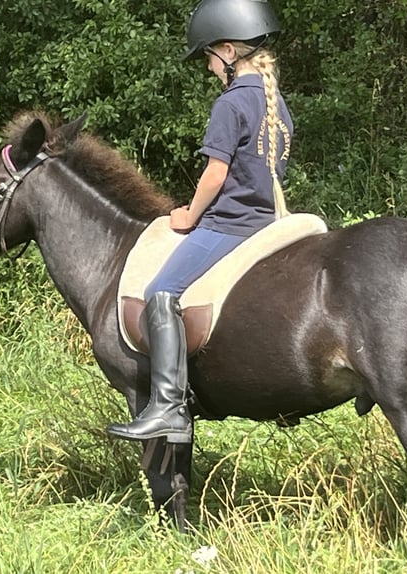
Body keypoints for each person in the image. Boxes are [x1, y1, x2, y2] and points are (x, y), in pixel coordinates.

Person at [106, 0, 293, 444]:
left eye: (209, 57)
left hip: (229, 225)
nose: (209, 67)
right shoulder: (276, 104)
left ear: (228, 51)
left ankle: (168, 407)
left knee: (159, 292)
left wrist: (189, 214)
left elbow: (215, 174)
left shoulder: (230, 104)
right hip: (267, 222)